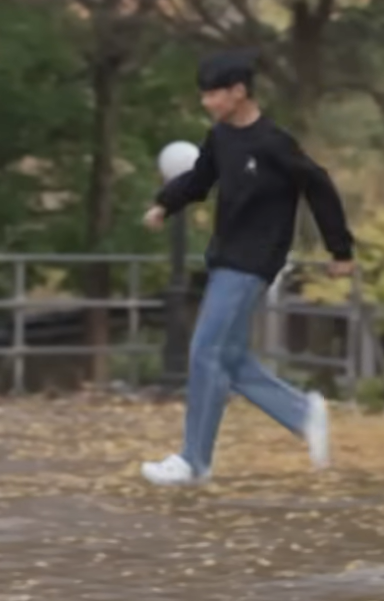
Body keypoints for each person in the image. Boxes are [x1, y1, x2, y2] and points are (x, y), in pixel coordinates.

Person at [141, 49, 355, 486]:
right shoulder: (220, 138)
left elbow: (319, 185)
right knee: (232, 360)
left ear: (238, 92)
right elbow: (199, 180)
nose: (206, 102)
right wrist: (165, 204)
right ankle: (303, 413)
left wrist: (340, 249)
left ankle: (193, 461)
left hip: (254, 261)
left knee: (205, 351)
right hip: (225, 256)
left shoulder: (274, 143)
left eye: (213, 94)